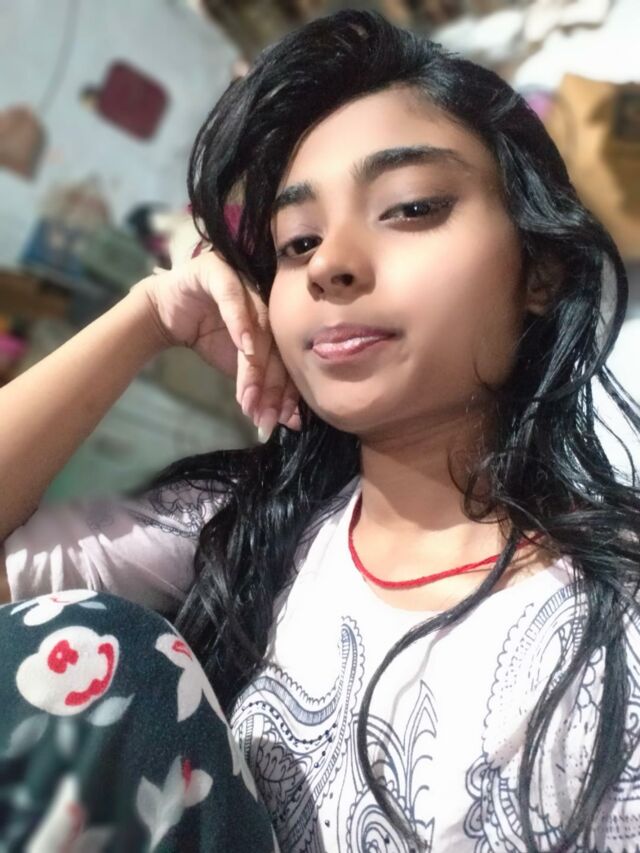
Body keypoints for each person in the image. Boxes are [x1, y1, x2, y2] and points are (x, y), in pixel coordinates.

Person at [1, 8, 639, 852]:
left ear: (540, 269)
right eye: (297, 242)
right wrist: (147, 314)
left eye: (410, 207)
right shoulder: (241, 531)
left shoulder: (611, 630)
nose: (331, 263)